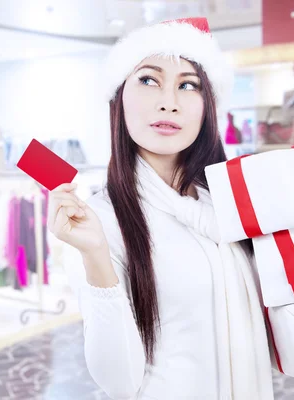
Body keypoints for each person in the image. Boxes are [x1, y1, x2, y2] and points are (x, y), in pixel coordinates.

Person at [48, 17, 274, 399]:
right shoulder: (101, 221)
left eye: (188, 85)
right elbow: (118, 380)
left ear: (208, 106)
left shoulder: (230, 203)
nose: (169, 102)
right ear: (119, 96)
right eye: (149, 80)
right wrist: (96, 256)